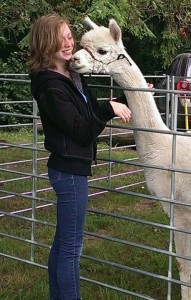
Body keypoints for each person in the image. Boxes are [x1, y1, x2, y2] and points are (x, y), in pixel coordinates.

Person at [29, 13, 131, 300]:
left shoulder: (71, 75)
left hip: (73, 169)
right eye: (59, 39)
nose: (67, 43)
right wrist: (108, 110)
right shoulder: (49, 85)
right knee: (71, 248)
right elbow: (81, 130)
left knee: (63, 244)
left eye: (69, 37)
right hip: (69, 172)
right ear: (44, 43)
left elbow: (92, 110)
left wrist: (127, 100)